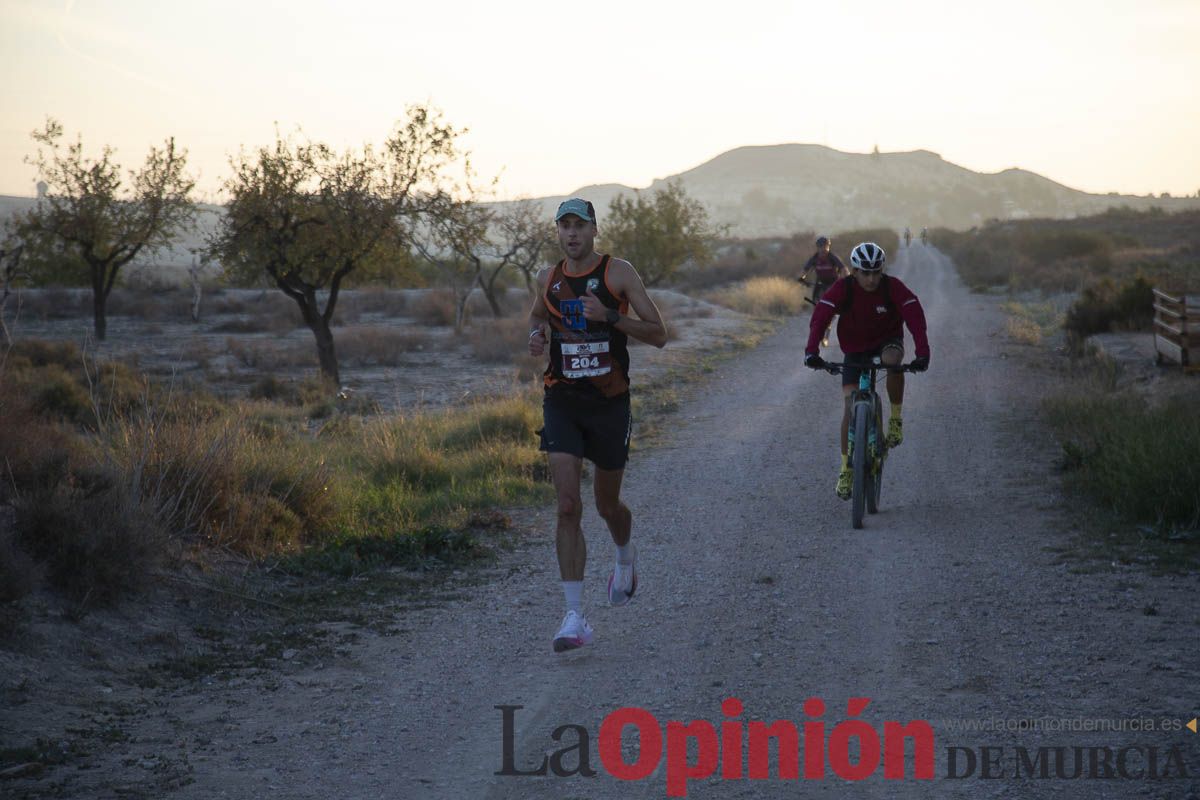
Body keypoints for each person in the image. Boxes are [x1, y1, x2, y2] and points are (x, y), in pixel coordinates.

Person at [527, 198, 669, 653]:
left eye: (579, 225)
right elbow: (537, 314)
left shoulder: (617, 273)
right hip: (562, 400)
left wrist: (609, 316)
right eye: (564, 226)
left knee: (607, 505)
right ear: (558, 232)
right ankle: (574, 617)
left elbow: (659, 334)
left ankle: (625, 557)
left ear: (593, 230)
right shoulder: (548, 278)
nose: (572, 233)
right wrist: (536, 334)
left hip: (609, 403)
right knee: (568, 506)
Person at [803, 242, 930, 500]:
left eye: (876, 272)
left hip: (887, 342)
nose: (871, 279)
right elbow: (821, 315)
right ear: (855, 271)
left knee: (893, 361)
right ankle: (846, 470)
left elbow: (914, 315)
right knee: (850, 408)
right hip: (855, 348)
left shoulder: (892, 287)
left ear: (882, 270)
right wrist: (811, 351)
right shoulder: (844, 288)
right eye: (865, 273)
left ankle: (895, 420)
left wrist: (922, 353)